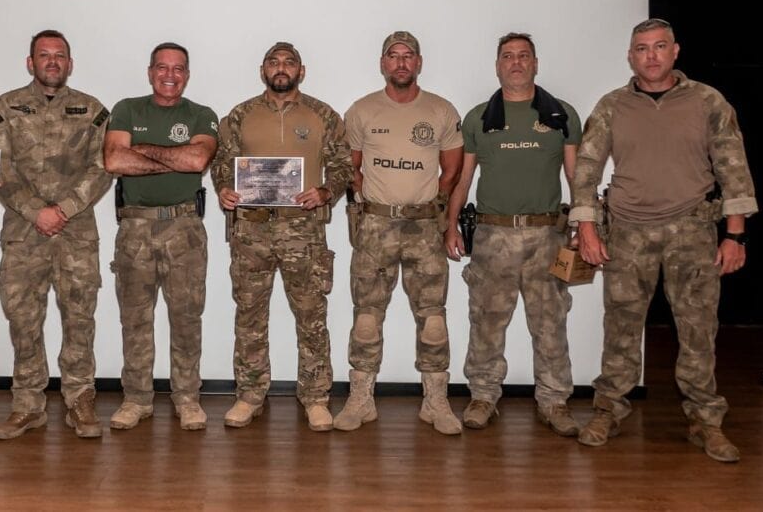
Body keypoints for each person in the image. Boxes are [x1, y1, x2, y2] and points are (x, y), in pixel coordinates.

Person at [571, 18, 757, 463]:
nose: (650, 55)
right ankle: (608, 410)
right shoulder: (612, 105)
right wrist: (588, 230)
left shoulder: (708, 101)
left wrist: (735, 235)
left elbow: (733, 166)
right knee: (620, 329)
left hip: (692, 231)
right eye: (641, 48)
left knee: (697, 330)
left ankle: (706, 421)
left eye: (659, 47)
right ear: (630, 56)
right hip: (628, 232)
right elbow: (587, 171)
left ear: (675, 52)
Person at [445, 32, 582, 436]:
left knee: (550, 323)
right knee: (486, 321)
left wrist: (583, 226)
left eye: (524, 56)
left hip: (547, 236)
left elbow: (575, 176)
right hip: (493, 236)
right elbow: (464, 177)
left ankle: (554, 401)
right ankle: (484, 396)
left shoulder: (561, 115)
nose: (516, 63)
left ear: (536, 63)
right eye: (508, 56)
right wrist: (450, 224)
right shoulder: (479, 118)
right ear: (498, 66)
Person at [211, 41, 352, 432]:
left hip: (303, 231)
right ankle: (250, 394)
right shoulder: (240, 115)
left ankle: (316, 397)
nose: (281, 68)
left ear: (301, 71)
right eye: (273, 62)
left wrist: (325, 192)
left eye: (289, 62)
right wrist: (224, 187)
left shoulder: (323, 114)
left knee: (311, 316)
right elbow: (223, 162)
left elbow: (343, 165)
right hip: (251, 229)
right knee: (250, 316)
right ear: (262, 70)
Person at [0, 29, 112, 440]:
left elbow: (103, 166)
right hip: (23, 233)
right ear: (30, 62)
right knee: (23, 320)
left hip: (76, 233)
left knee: (79, 319)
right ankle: (27, 406)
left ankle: (79, 401)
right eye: (44, 55)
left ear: (70, 64)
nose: (52, 62)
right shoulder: (6, 107)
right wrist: (36, 210)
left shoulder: (92, 110)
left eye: (60, 56)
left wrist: (64, 209)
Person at [333, 31, 464, 434]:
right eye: (394, 56)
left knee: (433, 320)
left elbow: (453, 170)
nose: (401, 63)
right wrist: (369, 204)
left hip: (424, 227)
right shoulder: (362, 110)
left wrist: (433, 207)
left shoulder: (441, 110)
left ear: (419, 63)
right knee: (367, 318)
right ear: (383, 63)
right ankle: (361, 399)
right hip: (375, 227)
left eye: (409, 56)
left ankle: (436, 401)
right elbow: (350, 168)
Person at [103, 42, 218, 431]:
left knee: (186, 318)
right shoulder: (126, 109)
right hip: (134, 227)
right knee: (135, 319)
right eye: (162, 67)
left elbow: (197, 160)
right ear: (150, 71)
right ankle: (137, 399)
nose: (170, 75)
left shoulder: (201, 115)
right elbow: (114, 160)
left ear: (188, 74)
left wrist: (143, 152)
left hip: (184, 228)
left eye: (179, 68)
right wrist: (173, 156)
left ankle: (187, 397)